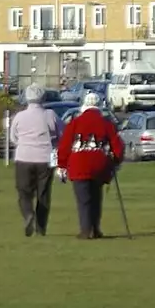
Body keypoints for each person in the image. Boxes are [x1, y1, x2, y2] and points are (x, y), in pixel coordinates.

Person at [55, 92, 124, 239]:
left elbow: (65, 146)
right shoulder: (107, 124)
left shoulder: (74, 123)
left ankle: (86, 230)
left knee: (83, 200)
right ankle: (95, 228)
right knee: (96, 197)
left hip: (79, 164)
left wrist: (61, 164)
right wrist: (115, 161)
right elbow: (118, 146)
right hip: (100, 164)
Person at [7, 85, 61, 237]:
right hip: (45, 158)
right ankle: (41, 227)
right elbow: (61, 134)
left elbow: (13, 137)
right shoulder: (50, 115)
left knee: (24, 192)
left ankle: (28, 214)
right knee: (43, 194)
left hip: (24, 157)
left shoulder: (19, 116)